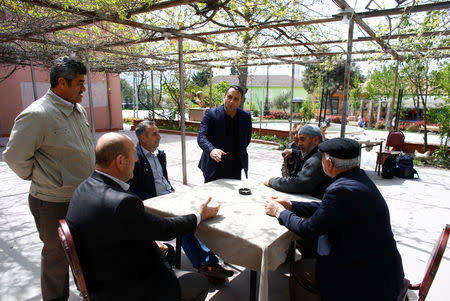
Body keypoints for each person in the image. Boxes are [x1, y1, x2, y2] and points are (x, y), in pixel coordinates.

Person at [66, 132, 214, 301]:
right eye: (133, 156)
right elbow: (166, 229)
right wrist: (199, 215)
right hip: (126, 288)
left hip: (97, 276)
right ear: (120, 161)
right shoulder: (123, 202)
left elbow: (108, 229)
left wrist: (147, 239)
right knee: (199, 282)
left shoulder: (82, 189)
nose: (136, 160)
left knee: (168, 251)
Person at [265, 138, 405, 301]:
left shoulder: (340, 190)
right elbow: (326, 208)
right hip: (383, 270)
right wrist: (292, 205)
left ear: (329, 163)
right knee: (309, 245)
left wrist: (280, 212)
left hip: (366, 282)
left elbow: (308, 229)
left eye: (321, 158)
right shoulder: (357, 179)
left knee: (300, 269)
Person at [3, 56, 95, 301]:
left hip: (81, 196)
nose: (83, 88)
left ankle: (88, 293)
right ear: (61, 83)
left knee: (83, 250)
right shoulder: (37, 114)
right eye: (79, 82)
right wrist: (44, 178)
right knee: (56, 256)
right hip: (53, 201)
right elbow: (14, 157)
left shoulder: (78, 109)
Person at [128, 120, 233, 282]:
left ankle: (212, 259)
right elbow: (133, 190)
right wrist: (159, 200)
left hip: (170, 198)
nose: (160, 137)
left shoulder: (159, 155)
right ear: (143, 138)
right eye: (154, 134)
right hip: (155, 205)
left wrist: (174, 193)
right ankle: (207, 265)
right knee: (184, 223)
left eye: (158, 132)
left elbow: (164, 181)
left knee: (203, 209)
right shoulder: (135, 159)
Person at [197, 85, 252, 182]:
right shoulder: (211, 114)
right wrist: (211, 150)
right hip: (213, 165)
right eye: (229, 97)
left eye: (236, 99)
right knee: (213, 196)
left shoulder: (246, 117)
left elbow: (246, 139)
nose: (232, 101)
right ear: (224, 96)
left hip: (235, 167)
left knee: (233, 196)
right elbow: (201, 137)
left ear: (240, 101)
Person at [264, 124, 331, 199]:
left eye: (302, 139)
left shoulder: (316, 159)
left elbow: (299, 184)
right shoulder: (319, 152)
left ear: (315, 140)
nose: (299, 143)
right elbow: (304, 155)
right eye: (298, 140)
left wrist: (271, 181)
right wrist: (293, 151)